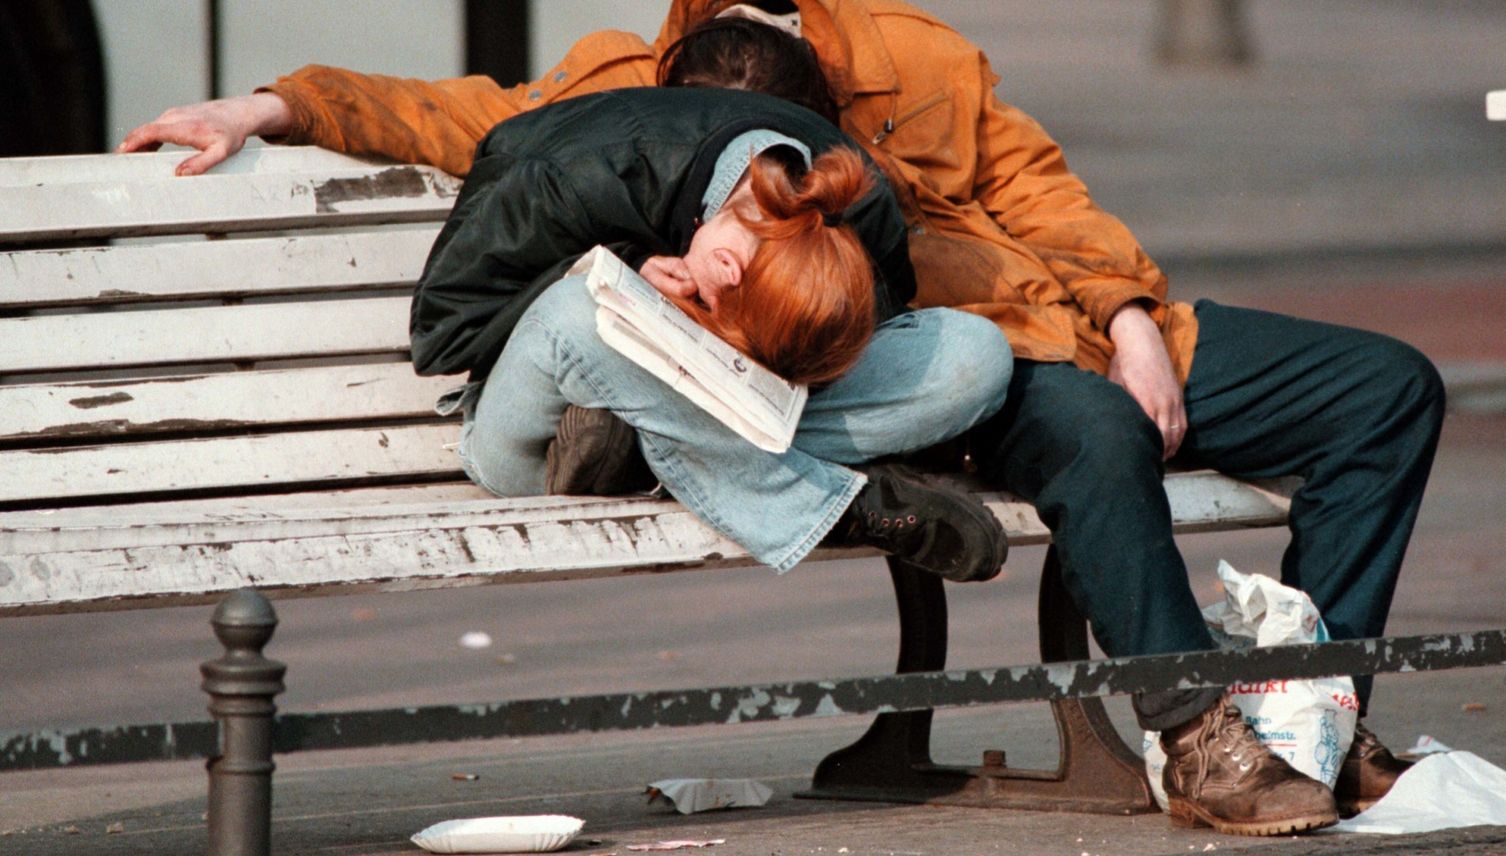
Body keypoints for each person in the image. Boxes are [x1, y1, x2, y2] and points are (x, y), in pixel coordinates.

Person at [119, 0, 1444, 836]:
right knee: (1084, 430)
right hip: (882, 374)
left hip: (1065, 327)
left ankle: (1311, 719)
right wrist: (271, 102)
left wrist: (1135, 316)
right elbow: (465, 116)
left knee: (1384, 389)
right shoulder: (623, 70)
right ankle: (1199, 740)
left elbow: (1043, 191)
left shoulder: (916, 55)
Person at [415, 80, 1014, 581]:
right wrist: (620, 264)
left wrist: (727, 391)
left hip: (633, 438)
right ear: (725, 270)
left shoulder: (853, 206)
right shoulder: (569, 175)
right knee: (585, 311)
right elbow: (443, 331)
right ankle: (838, 507)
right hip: (535, 446)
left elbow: (872, 335)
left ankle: (665, 460)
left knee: (975, 354)